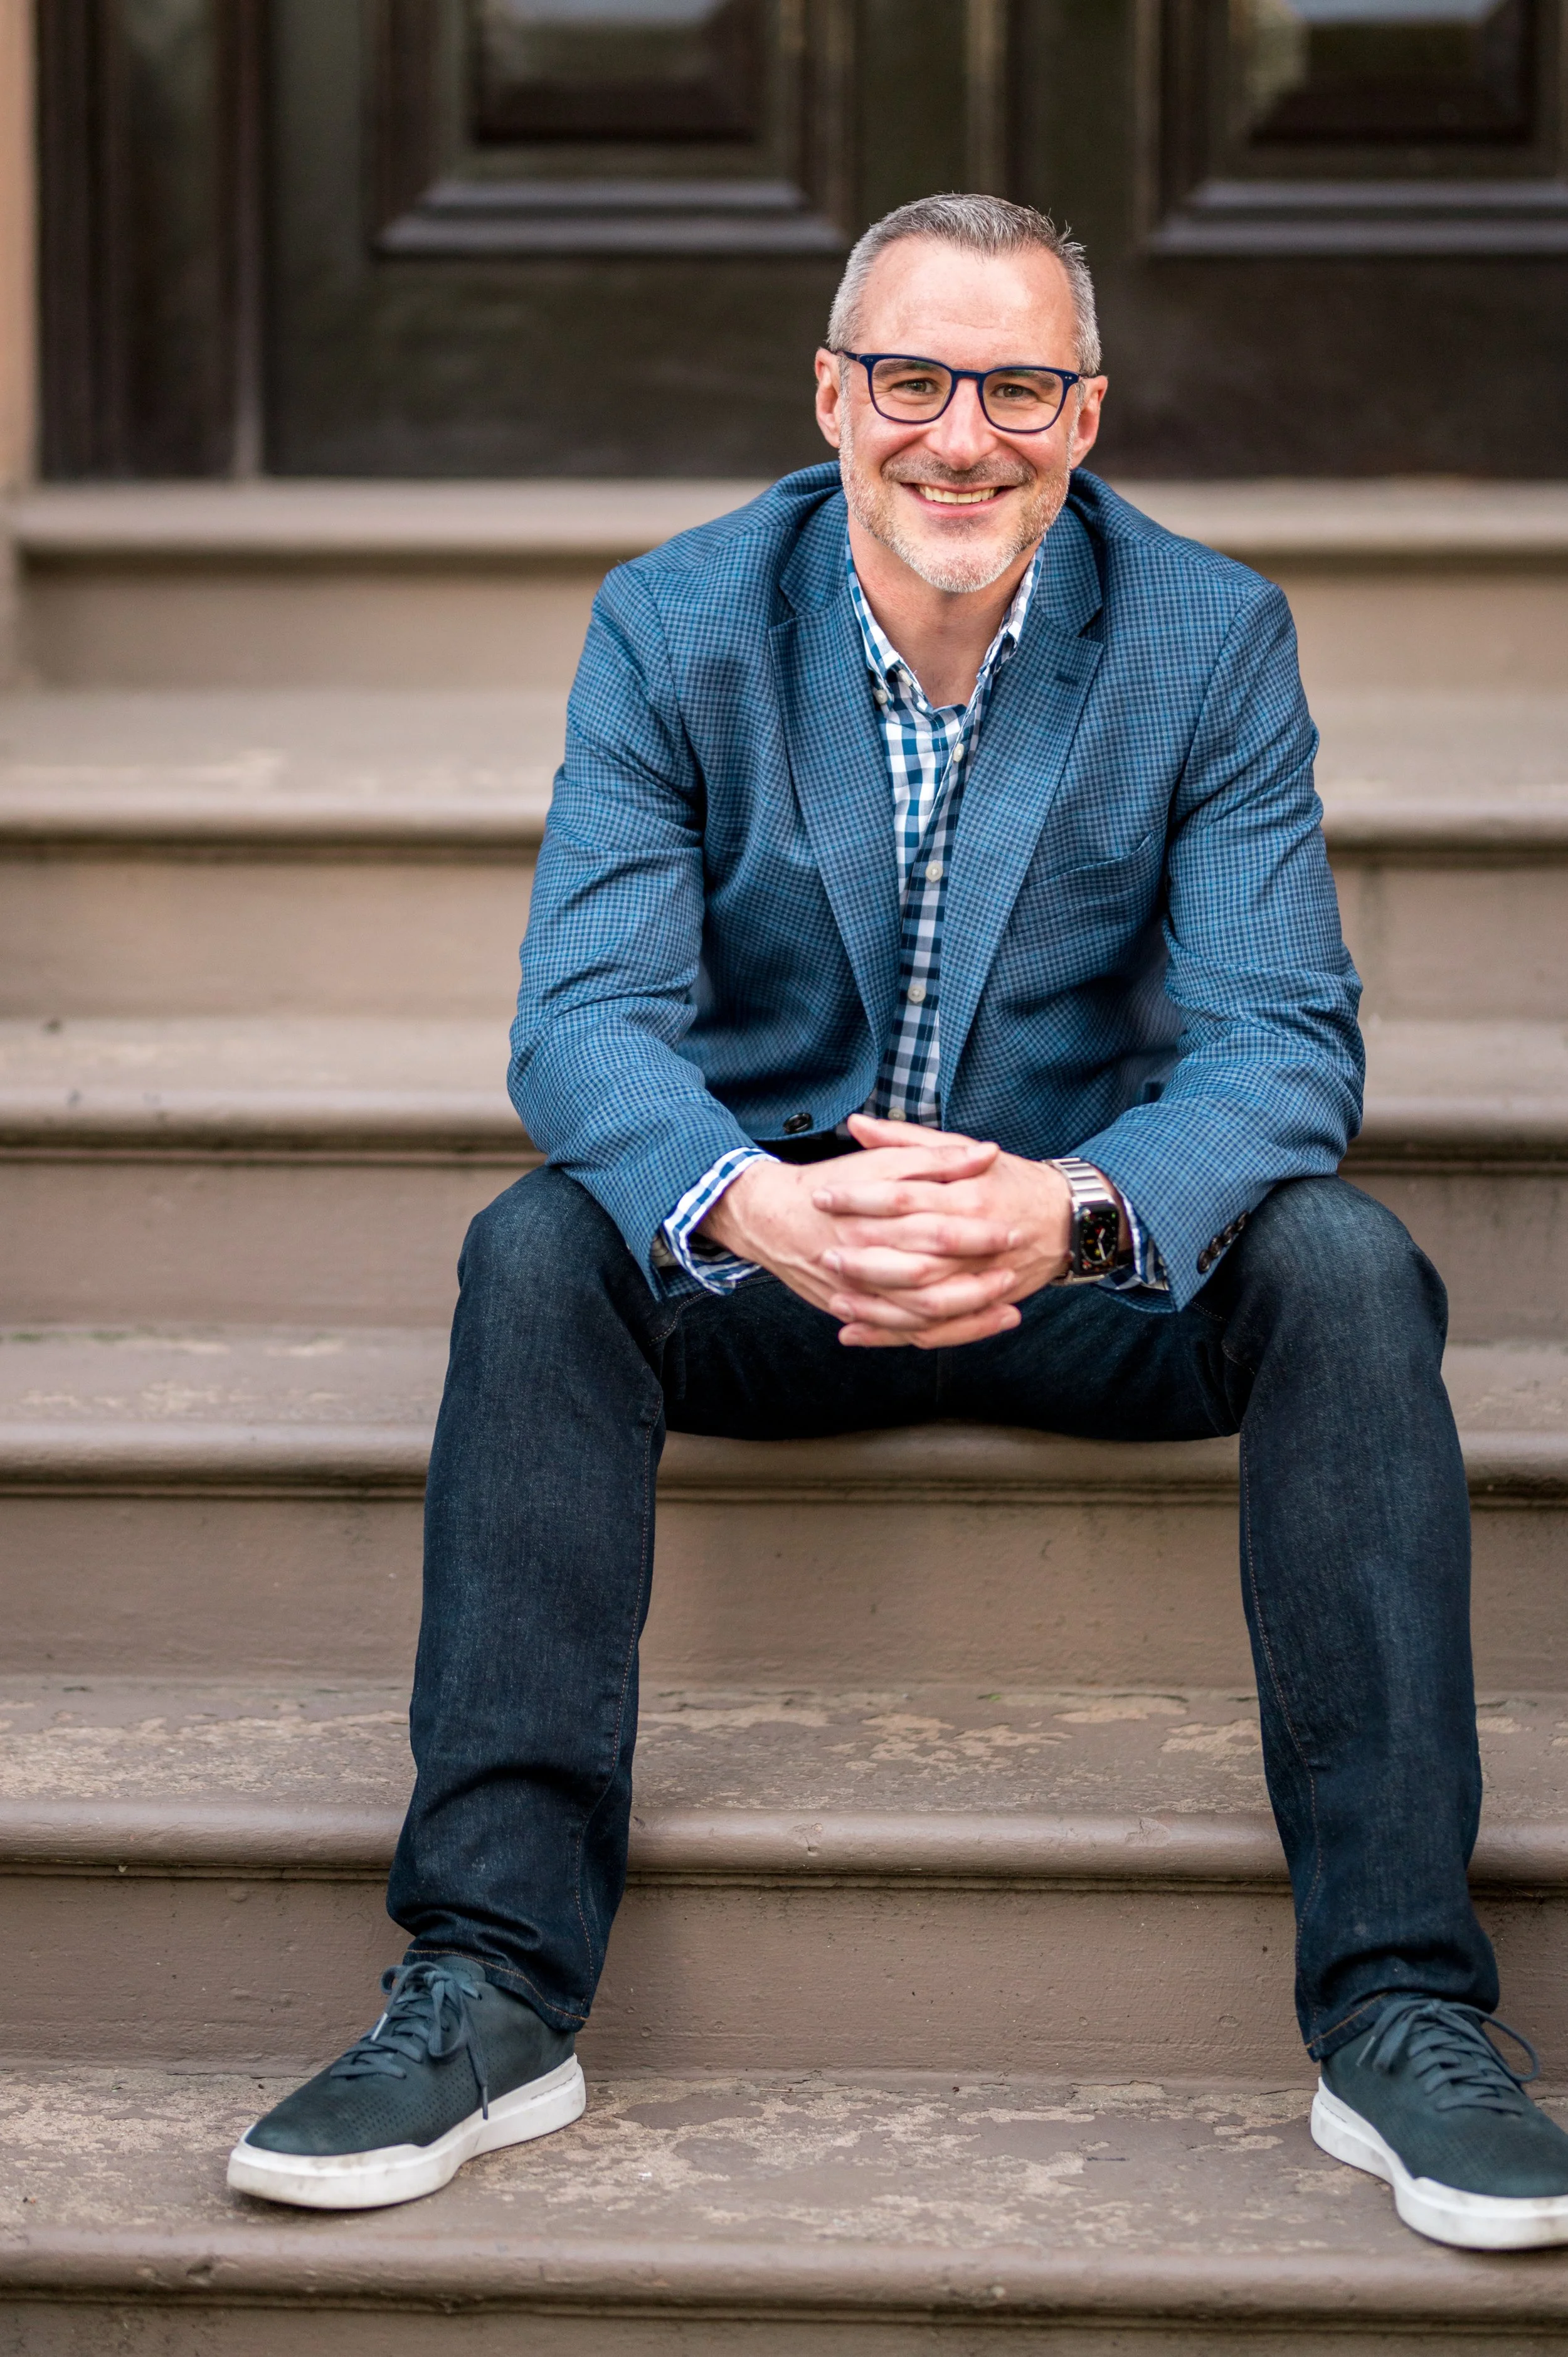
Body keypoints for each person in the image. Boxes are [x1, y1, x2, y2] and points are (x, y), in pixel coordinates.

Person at [227, 193, 1568, 2250]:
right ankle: (492, 1977)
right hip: (774, 1272)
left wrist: (1074, 1206)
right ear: (833, 396)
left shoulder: (1206, 637)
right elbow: (583, 1018)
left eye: (1018, 383)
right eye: (914, 378)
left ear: (1086, 413)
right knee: (537, 1247)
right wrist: (751, 1203)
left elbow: (1282, 1043)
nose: (964, 433)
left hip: (1081, 1271)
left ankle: (1400, 2009)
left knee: (1342, 1259)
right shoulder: (677, 620)